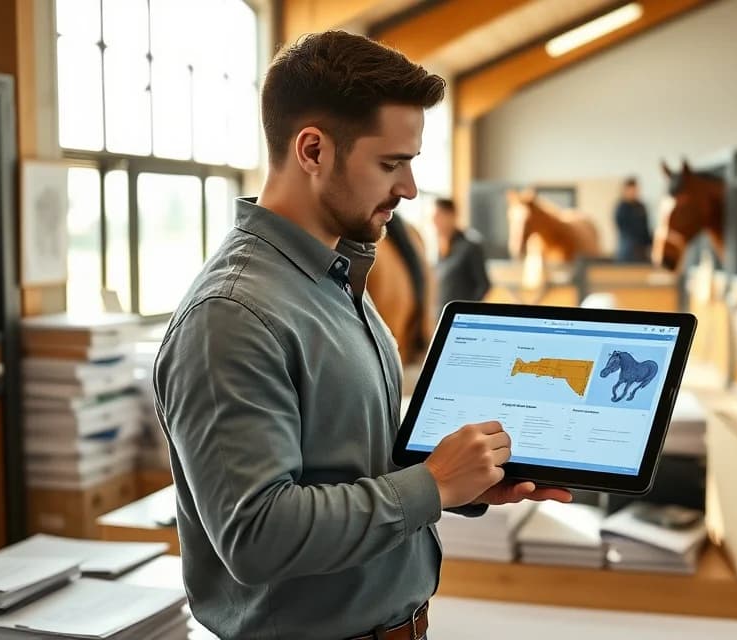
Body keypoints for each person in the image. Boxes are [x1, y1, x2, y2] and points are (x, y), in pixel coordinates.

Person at [153, 31, 570, 640]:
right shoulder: (232, 316)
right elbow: (257, 535)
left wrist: (462, 484)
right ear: (314, 150)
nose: (409, 189)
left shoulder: (337, 280)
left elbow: (349, 465)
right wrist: (430, 486)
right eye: (390, 163)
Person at [432, 197, 490, 313]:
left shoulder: (471, 246)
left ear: (452, 216)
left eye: (438, 216)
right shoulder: (440, 249)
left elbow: (484, 286)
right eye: (433, 217)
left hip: (460, 319)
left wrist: (467, 312)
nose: (434, 221)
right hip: (438, 317)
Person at [613, 177, 652, 263]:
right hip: (628, 250)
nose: (634, 192)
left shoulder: (641, 206)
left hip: (642, 249)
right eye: (631, 190)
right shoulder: (621, 208)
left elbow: (645, 228)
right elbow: (625, 228)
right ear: (625, 190)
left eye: (635, 190)